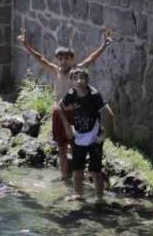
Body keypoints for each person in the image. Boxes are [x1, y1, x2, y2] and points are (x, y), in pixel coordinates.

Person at [18, 27, 111, 181]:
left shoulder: (76, 72)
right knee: (61, 147)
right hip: (59, 113)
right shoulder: (55, 70)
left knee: (77, 145)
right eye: (60, 58)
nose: (63, 61)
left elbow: (91, 59)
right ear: (57, 60)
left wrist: (103, 46)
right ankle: (64, 177)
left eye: (67, 58)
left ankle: (78, 175)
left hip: (76, 113)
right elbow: (40, 58)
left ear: (72, 59)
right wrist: (26, 45)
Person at [60, 67, 114, 202]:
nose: (78, 81)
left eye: (82, 78)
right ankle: (77, 194)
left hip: (94, 136)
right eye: (75, 78)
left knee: (95, 170)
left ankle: (99, 198)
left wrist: (105, 134)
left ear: (87, 80)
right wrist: (67, 125)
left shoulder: (94, 95)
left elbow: (109, 114)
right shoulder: (71, 94)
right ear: (71, 81)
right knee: (77, 168)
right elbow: (59, 107)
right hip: (79, 135)